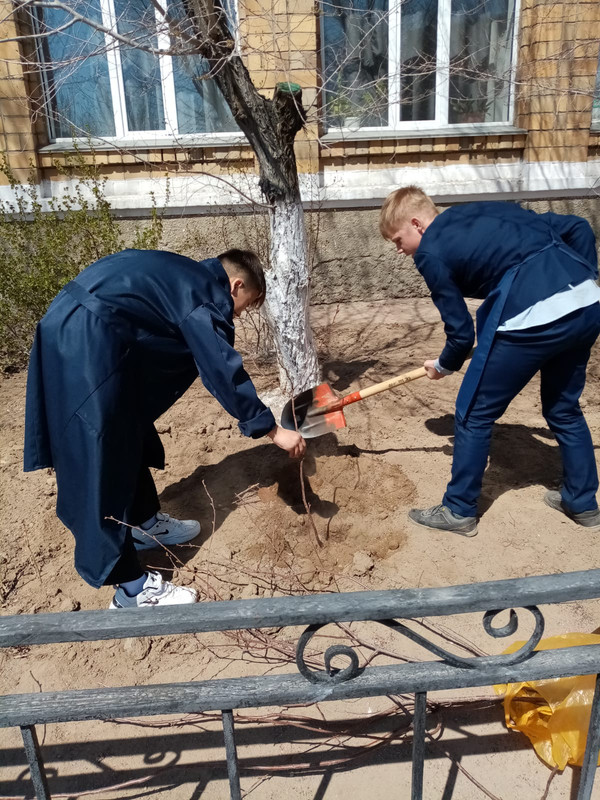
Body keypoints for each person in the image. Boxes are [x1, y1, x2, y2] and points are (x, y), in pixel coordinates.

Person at [24, 248, 305, 607]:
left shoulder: (185, 276)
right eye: (246, 305)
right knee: (99, 450)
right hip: (84, 341)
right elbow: (220, 366)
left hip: (88, 330)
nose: (238, 314)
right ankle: (132, 589)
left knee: (127, 428)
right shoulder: (201, 294)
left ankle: (143, 525)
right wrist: (272, 430)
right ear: (236, 285)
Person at [379, 186, 600, 536]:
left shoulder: (430, 251)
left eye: (397, 239)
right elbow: (578, 227)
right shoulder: (486, 211)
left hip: (532, 317)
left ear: (417, 224)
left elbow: (461, 334)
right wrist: (586, 278)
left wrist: (444, 365)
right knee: (564, 408)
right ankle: (582, 502)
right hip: (587, 306)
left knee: (473, 412)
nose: (399, 249)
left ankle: (458, 510)